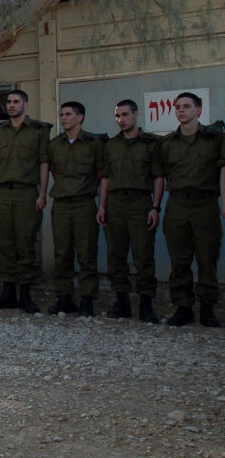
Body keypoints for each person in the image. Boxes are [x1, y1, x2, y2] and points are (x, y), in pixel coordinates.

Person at [159, 92, 225, 327]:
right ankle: (183, 307)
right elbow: (162, 174)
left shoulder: (215, 139)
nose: (180, 110)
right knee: (179, 259)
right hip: (177, 204)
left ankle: (207, 309)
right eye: (177, 107)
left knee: (207, 258)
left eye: (186, 106)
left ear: (198, 109)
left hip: (205, 203)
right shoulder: (167, 143)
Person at [96, 99, 164, 323]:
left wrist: (155, 206)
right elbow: (106, 177)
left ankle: (146, 305)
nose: (121, 120)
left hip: (140, 202)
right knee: (116, 255)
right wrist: (102, 206)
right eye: (117, 116)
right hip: (115, 203)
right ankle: (121, 302)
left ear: (136, 114)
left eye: (125, 115)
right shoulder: (111, 145)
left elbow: (158, 177)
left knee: (143, 255)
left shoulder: (150, 144)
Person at [0, 89, 51, 314]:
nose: (11, 105)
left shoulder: (38, 130)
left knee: (24, 243)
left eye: (16, 102)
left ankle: (24, 294)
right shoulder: (0, 131)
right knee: (3, 243)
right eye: (9, 102)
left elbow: (44, 162)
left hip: (26, 193)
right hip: (4, 192)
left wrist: (42, 193)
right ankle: (7, 292)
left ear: (26, 104)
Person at [45, 102, 105, 317]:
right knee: (62, 253)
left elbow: (101, 172)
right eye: (61, 114)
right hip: (61, 203)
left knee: (87, 252)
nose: (63, 118)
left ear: (80, 117)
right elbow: (54, 172)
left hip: (84, 203)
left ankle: (87, 299)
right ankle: (64, 297)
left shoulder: (93, 143)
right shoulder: (54, 145)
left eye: (68, 114)